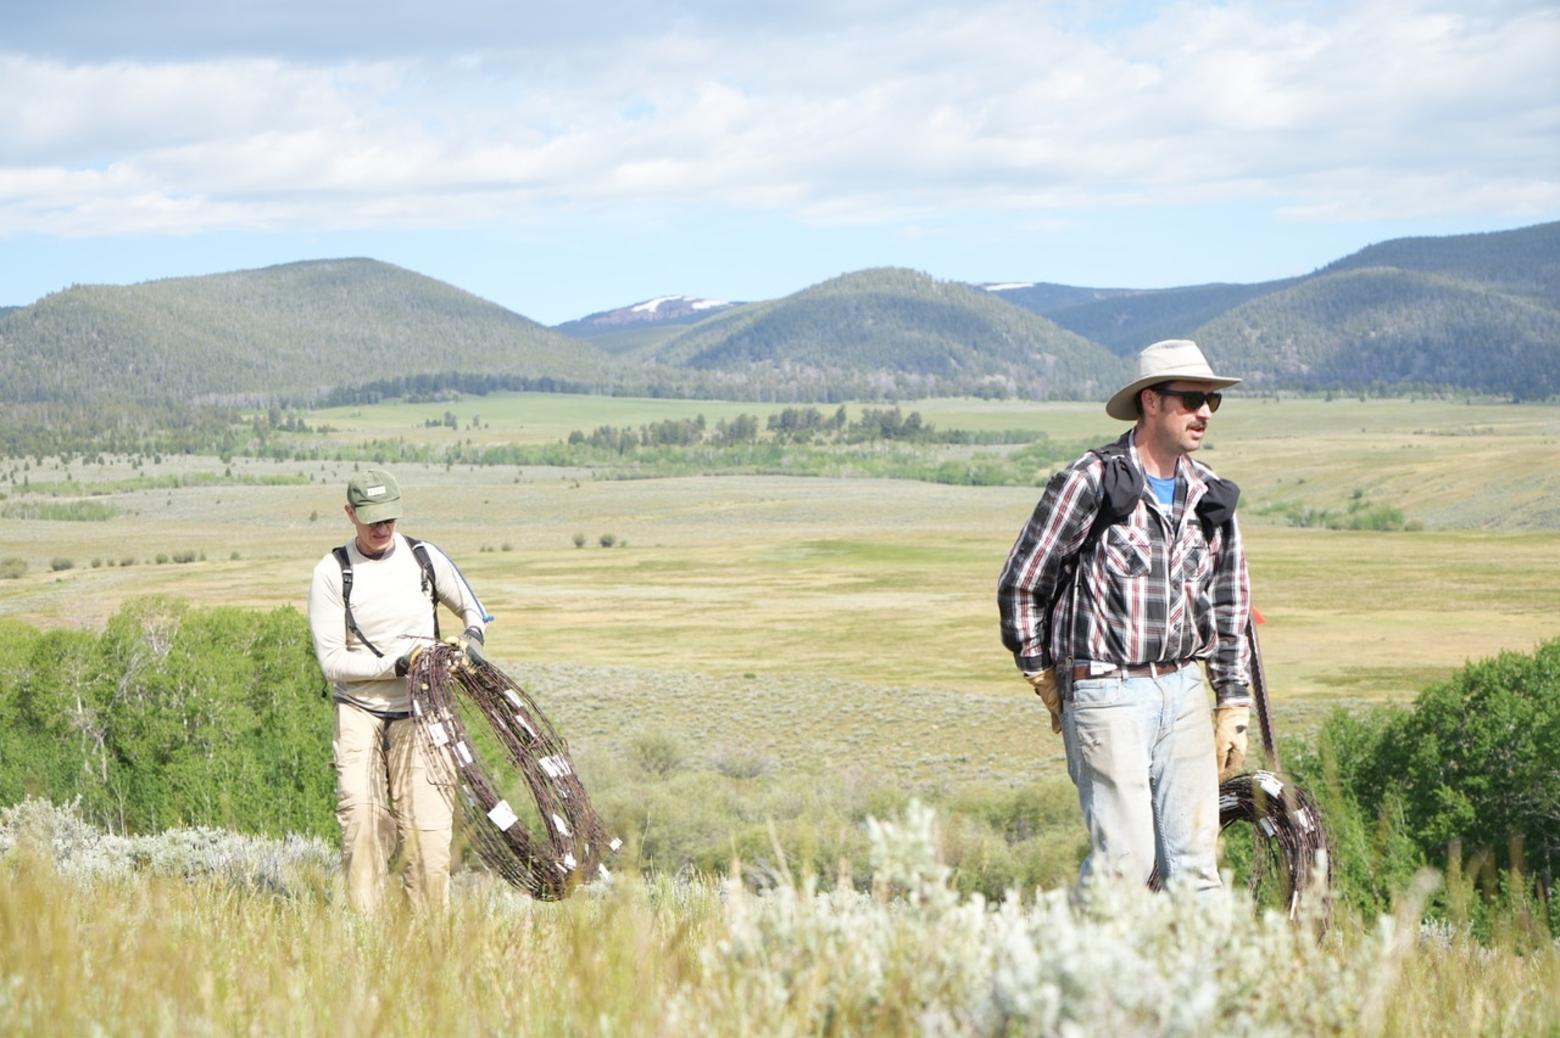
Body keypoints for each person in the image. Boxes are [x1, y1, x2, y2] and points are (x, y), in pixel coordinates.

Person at [997, 339, 1252, 891]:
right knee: (1125, 865)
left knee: (1197, 869)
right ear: (1151, 402)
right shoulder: (1090, 481)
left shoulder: (1211, 497)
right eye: (1190, 399)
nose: (1204, 411)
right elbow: (1021, 582)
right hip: (1105, 692)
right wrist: (1043, 674)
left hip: (1184, 690)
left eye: (1212, 401)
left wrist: (1232, 701)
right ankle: (1080, 977)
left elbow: (1231, 605)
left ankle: (1206, 980)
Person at [307, 468, 490, 913]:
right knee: (362, 829)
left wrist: (473, 641)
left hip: (423, 714)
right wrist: (397, 665)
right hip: (360, 713)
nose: (382, 528)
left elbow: (473, 608)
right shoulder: (333, 573)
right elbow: (332, 663)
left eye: (389, 517)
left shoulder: (424, 558)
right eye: (371, 518)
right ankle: (365, 937)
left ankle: (427, 947)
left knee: (428, 840)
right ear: (350, 514)